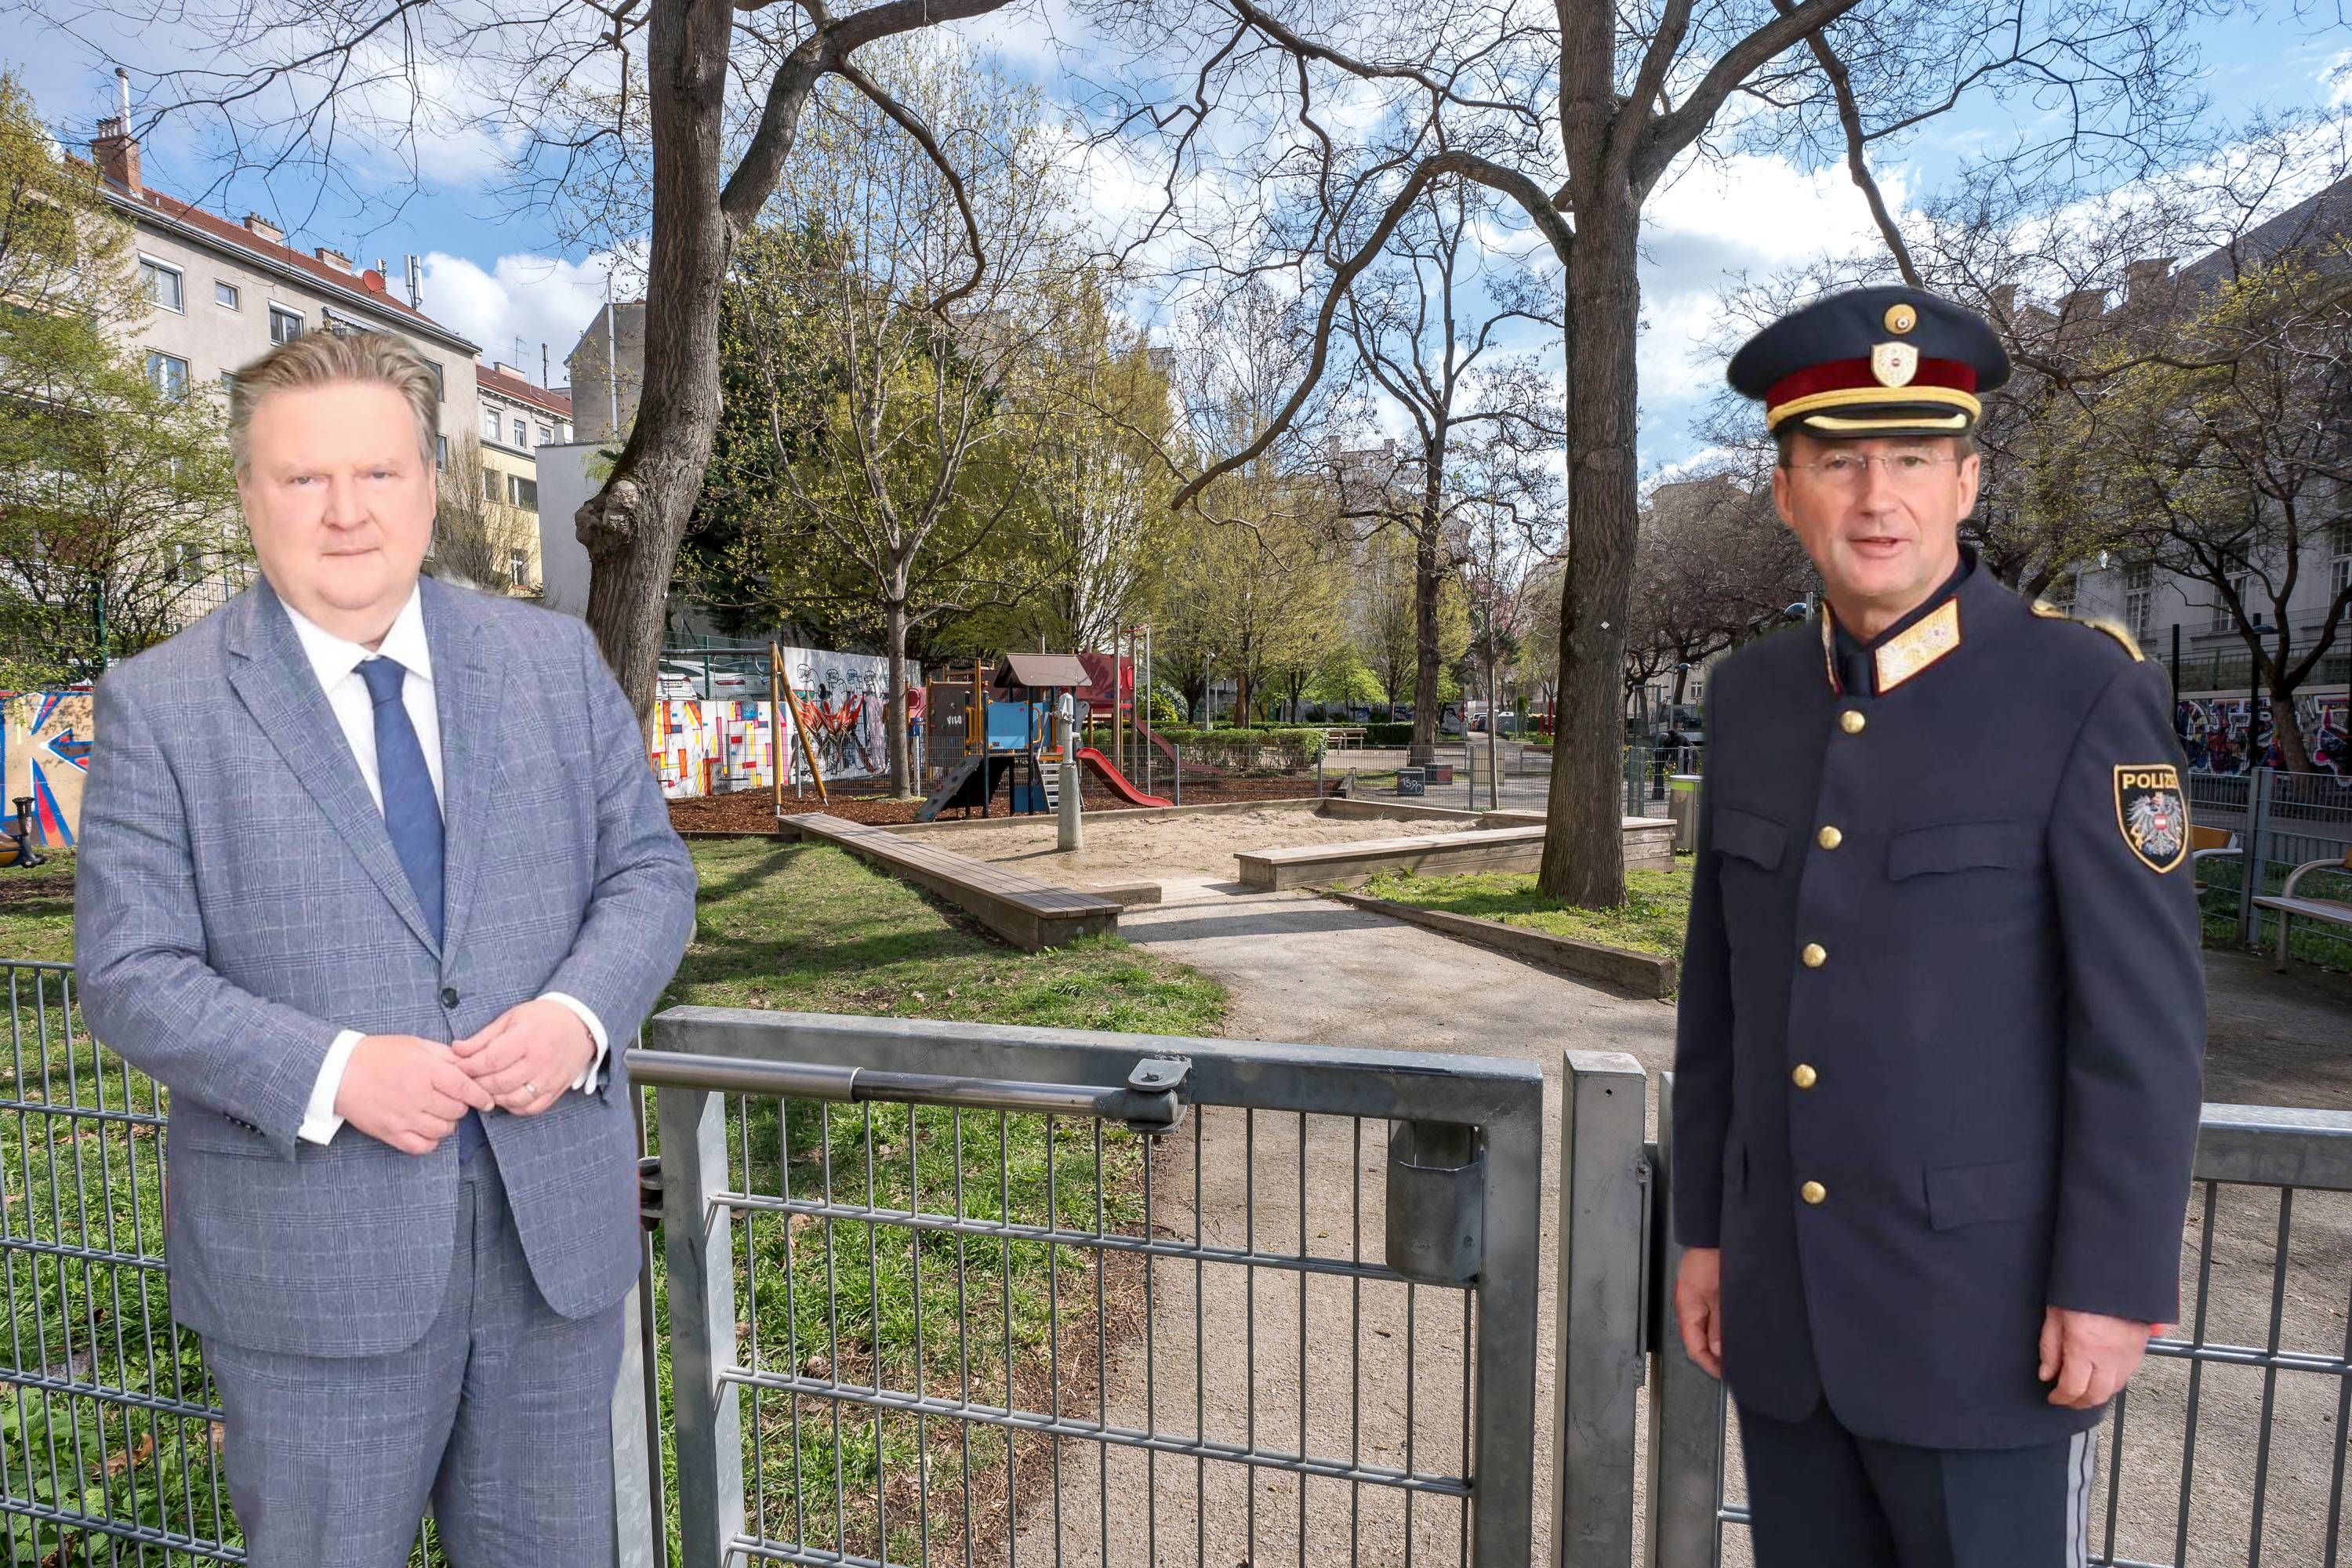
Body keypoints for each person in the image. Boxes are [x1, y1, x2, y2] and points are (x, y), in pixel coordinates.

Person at [75, 331, 699, 1566]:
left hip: (551, 1258)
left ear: (430, 486)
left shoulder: (552, 663)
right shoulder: (161, 703)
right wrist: (335, 1072)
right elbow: (129, 973)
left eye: (379, 473)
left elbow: (650, 875)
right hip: (310, 1272)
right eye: (304, 479)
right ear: (250, 496)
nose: (346, 511)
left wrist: (579, 1014)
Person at [1670, 286, 2205, 1567]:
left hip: (1991, 1325)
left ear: (1969, 482)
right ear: (1788, 489)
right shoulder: (1748, 700)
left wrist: (2116, 1282)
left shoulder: (2081, 690)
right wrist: (1704, 1235)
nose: (1877, 498)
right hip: (1784, 1313)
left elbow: (2141, 1026)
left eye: (1913, 459)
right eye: (1840, 461)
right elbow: (1720, 1007)